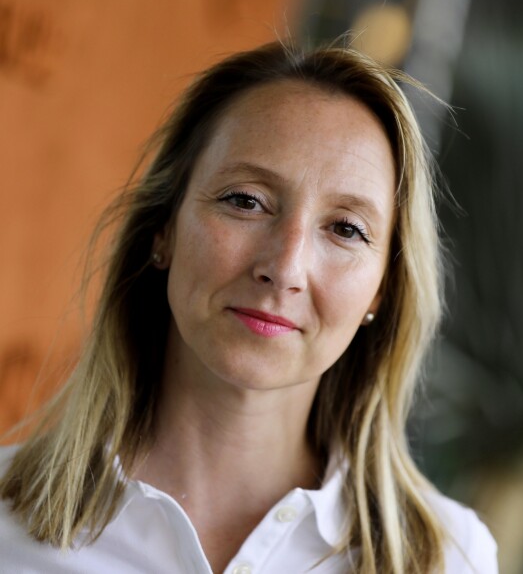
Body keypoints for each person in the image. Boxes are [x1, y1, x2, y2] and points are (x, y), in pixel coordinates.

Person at [0, 41, 497, 573]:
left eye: (346, 229)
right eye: (245, 200)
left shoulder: (449, 556)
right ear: (163, 229)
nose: (284, 269)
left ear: (381, 290)